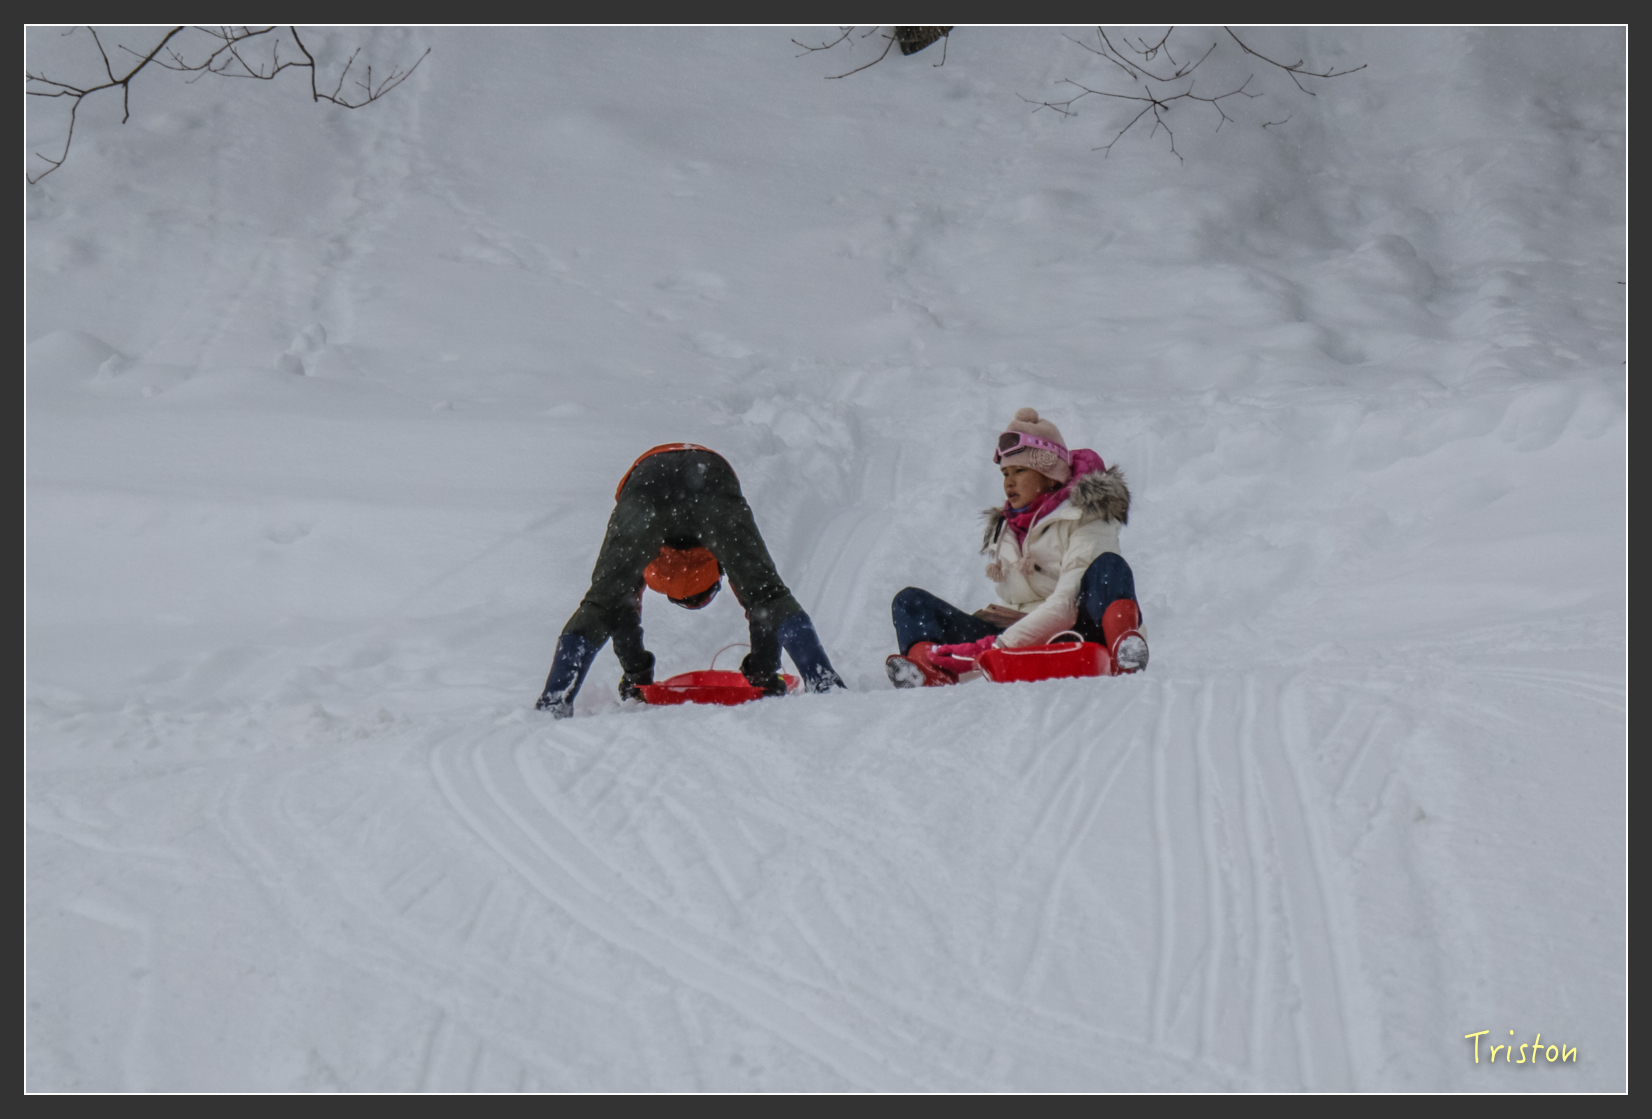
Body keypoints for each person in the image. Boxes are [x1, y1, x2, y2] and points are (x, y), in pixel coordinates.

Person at [537, 443, 845, 717]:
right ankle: (823, 680)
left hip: (647, 488)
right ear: (715, 570)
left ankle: (554, 701)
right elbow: (762, 605)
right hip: (707, 482)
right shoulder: (714, 543)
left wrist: (637, 674)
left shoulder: (648, 557)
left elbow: (622, 612)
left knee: (603, 602)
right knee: (766, 593)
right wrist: (763, 673)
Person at [885, 408, 1148, 686]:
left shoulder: (1089, 515)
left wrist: (995, 646)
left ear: (1050, 474)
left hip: (1079, 626)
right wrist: (989, 642)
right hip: (1018, 633)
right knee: (910, 601)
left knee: (1109, 567)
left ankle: (1124, 653)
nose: (1009, 482)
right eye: (1004, 473)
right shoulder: (1007, 526)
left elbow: (1066, 605)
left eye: (1020, 471)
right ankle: (931, 672)